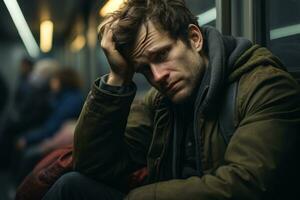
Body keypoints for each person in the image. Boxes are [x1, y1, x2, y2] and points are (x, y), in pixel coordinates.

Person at [43, 0, 300, 199]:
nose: (158, 76)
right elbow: (92, 165)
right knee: (71, 186)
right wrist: (118, 78)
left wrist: (137, 198)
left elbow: (247, 184)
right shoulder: (160, 101)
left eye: (162, 55)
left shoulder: (265, 86)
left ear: (194, 39)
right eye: (144, 69)